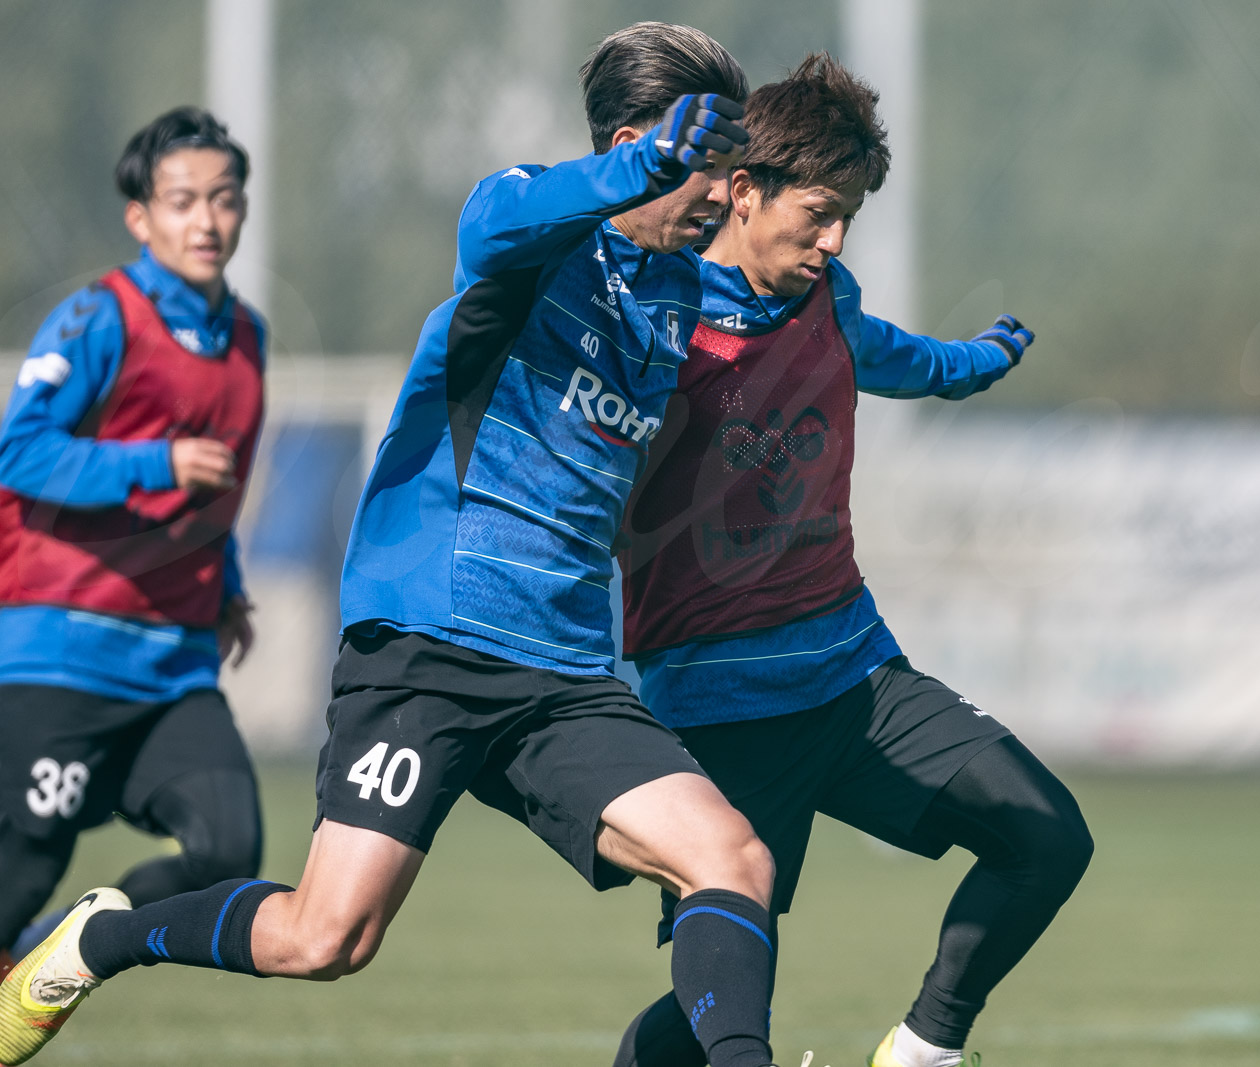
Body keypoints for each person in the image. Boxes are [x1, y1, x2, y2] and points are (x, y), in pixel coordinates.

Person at [0, 24, 793, 1067]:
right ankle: (100, 939)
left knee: (733, 858)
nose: (725, 193)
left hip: (565, 673)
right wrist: (640, 172)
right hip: (428, 644)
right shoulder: (532, 230)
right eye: (709, 164)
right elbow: (499, 216)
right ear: (634, 145)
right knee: (324, 938)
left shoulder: (680, 290)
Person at [611, 55, 1094, 1067]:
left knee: (1046, 835)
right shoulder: (655, 316)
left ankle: (920, 1052)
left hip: (856, 680)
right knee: (713, 1016)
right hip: (717, 707)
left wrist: (973, 364)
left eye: (848, 220)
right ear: (744, 190)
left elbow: (896, 355)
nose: (832, 240)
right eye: (819, 214)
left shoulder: (826, 298)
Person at [0, 107, 266, 982]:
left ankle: (53, 952)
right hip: (60, 651)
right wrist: (156, 460)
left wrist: (226, 582)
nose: (206, 220)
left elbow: (215, 490)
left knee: (226, 851)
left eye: (223, 198)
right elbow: (19, 451)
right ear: (141, 218)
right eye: (183, 201)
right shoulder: (100, 316)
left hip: (173, 667)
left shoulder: (248, 337)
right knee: (19, 871)